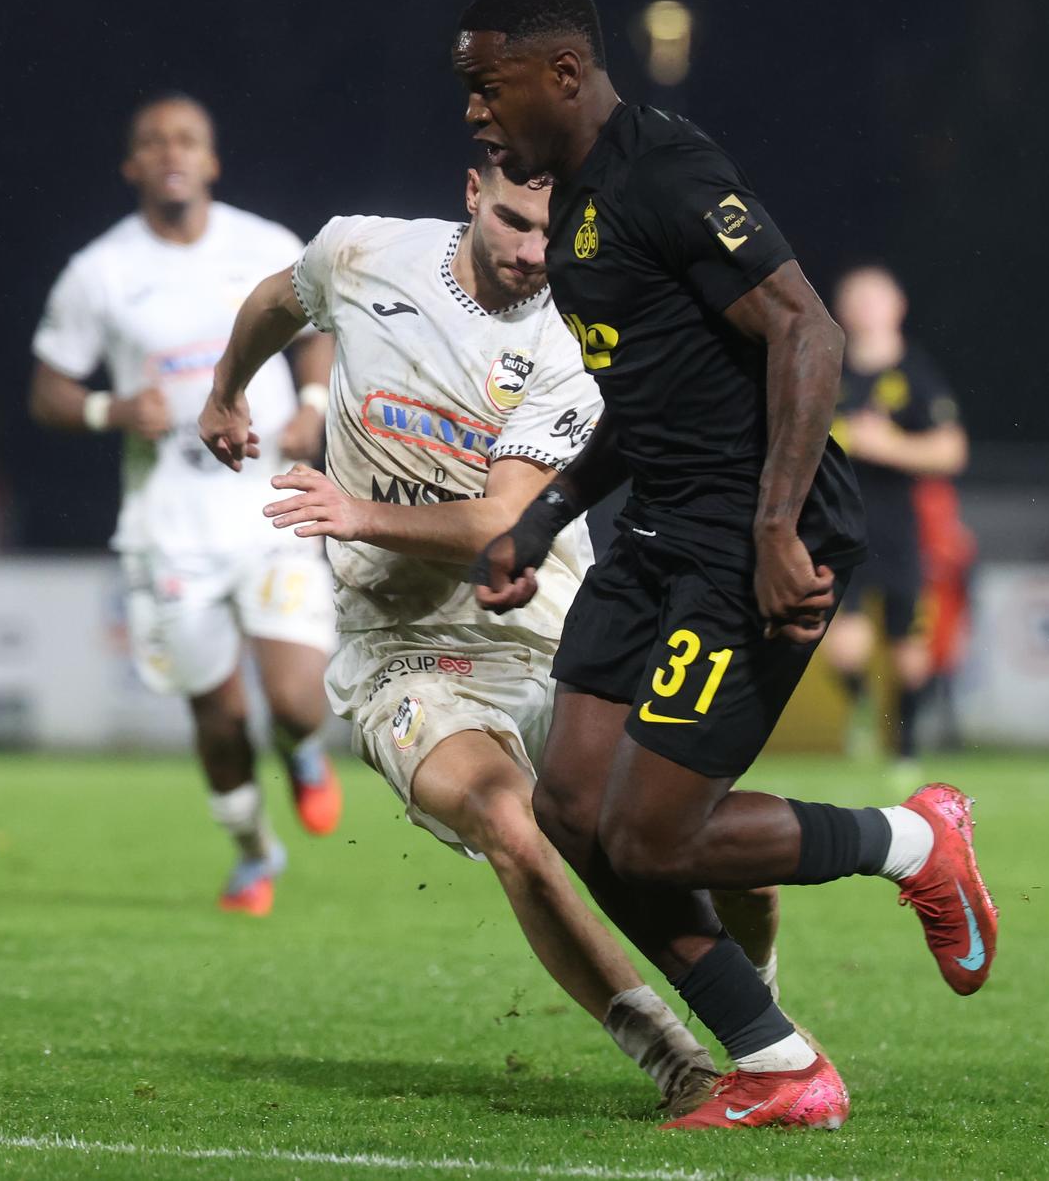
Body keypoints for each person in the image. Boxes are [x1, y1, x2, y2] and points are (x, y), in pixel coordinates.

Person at [452, 0, 1000, 1131]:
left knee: (651, 836)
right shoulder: (580, 205)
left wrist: (772, 529)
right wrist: (544, 517)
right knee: (573, 811)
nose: (475, 110)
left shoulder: (665, 168)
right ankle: (778, 1062)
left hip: (752, 536)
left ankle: (917, 841)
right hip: (657, 528)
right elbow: (647, 400)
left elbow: (809, 329)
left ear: (564, 72)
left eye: (489, 85)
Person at [199, 156, 738, 1115]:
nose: (533, 251)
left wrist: (358, 514)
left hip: (551, 632)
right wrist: (227, 390)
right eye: (514, 222)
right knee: (507, 818)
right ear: (471, 194)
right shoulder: (362, 253)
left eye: (551, 232)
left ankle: (762, 1029)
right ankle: (676, 1061)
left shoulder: (579, 333)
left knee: (681, 837)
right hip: (403, 648)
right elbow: (278, 301)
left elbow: (504, 524)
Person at [29, 90, 341, 916]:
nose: (172, 152)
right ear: (133, 165)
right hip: (170, 525)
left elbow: (319, 333)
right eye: (155, 141)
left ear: (211, 161)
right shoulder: (101, 271)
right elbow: (49, 390)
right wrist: (110, 409)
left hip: (270, 505)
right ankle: (253, 852)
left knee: (297, 696)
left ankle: (303, 747)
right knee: (218, 713)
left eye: (188, 139)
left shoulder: (265, 245)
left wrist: (312, 406)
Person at [819, 266, 969, 769]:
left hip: (903, 531)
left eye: (875, 297)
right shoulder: (828, 368)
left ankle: (905, 747)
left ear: (897, 307)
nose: (865, 307)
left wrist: (887, 445)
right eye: (856, 297)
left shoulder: (917, 374)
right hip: (839, 528)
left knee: (909, 653)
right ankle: (863, 709)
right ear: (841, 308)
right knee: (844, 648)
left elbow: (952, 451)